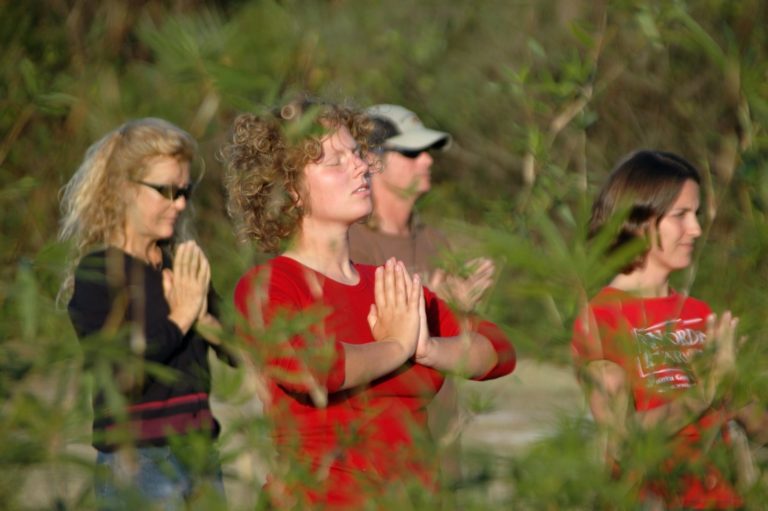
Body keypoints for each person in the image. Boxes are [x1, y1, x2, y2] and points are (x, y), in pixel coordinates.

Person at [223, 98, 516, 509]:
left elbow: (500, 351)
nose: (361, 167)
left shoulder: (389, 283)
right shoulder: (270, 285)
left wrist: (428, 348)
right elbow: (310, 368)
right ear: (291, 191)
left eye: (357, 154)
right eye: (335, 161)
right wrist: (396, 347)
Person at [60, 118, 232, 510]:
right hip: (139, 461)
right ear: (123, 188)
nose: (180, 204)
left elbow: (239, 350)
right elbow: (121, 375)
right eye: (166, 191)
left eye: (185, 191)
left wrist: (205, 320)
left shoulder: (181, 265)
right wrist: (181, 318)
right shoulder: (100, 273)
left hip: (201, 454)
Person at [571, 150, 743, 509]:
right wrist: (701, 394)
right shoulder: (600, 319)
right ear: (638, 220)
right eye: (681, 215)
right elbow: (620, 439)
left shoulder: (700, 313)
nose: (696, 229)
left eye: (696, 215)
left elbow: (750, 420)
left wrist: (740, 387)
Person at [348, 104, 496, 484]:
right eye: (412, 152)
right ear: (371, 159)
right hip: (380, 456)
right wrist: (432, 300)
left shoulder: (436, 241)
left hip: (440, 444)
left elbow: (461, 347)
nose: (427, 160)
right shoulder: (349, 243)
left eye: (428, 152)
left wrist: (461, 310)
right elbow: (359, 342)